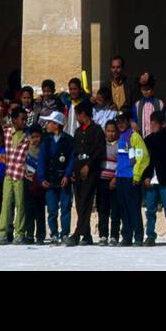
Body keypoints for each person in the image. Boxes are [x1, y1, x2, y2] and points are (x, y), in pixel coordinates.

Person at [68, 100, 105, 246]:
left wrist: (88, 166)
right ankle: (87, 234)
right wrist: (73, 170)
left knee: (86, 201)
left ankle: (78, 233)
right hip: (77, 170)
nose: (77, 117)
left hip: (91, 171)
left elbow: (99, 151)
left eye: (78, 115)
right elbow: (75, 152)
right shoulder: (78, 131)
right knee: (79, 202)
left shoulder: (96, 130)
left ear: (83, 114)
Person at [113, 109, 149, 247]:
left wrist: (137, 175)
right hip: (121, 177)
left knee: (133, 208)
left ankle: (138, 236)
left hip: (131, 178)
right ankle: (127, 236)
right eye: (118, 121)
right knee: (123, 208)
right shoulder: (120, 137)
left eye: (123, 121)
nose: (120, 124)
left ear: (128, 122)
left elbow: (143, 157)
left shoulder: (134, 137)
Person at [142, 110, 166, 246]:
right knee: (150, 210)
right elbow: (144, 160)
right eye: (151, 124)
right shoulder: (148, 140)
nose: (153, 126)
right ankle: (150, 235)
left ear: (162, 124)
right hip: (151, 180)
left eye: (155, 124)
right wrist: (146, 176)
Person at [0, 106, 30, 245]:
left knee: (20, 204)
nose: (24, 122)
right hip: (8, 173)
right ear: (14, 120)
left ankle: (20, 233)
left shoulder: (28, 135)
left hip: (21, 173)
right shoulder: (6, 132)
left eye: (26, 119)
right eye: (22, 119)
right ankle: (3, 232)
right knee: (6, 203)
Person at [40, 111, 74, 242]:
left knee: (65, 207)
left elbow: (71, 159)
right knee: (52, 209)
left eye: (50, 122)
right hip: (50, 179)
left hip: (63, 179)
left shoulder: (69, 140)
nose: (47, 125)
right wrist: (42, 178)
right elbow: (42, 160)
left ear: (57, 125)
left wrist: (67, 174)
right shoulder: (46, 141)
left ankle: (65, 233)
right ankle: (54, 233)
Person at [96, 120, 120, 246]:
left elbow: (121, 164)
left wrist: (115, 178)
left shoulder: (120, 145)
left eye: (113, 131)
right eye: (108, 131)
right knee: (102, 210)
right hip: (102, 181)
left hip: (114, 182)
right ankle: (103, 235)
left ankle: (114, 236)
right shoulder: (101, 144)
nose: (111, 134)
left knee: (115, 210)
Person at [133, 75, 164, 139]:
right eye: (143, 89)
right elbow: (134, 120)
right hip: (142, 137)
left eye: (148, 89)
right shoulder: (137, 105)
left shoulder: (160, 104)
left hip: (156, 138)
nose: (146, 92)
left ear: (152, 89)